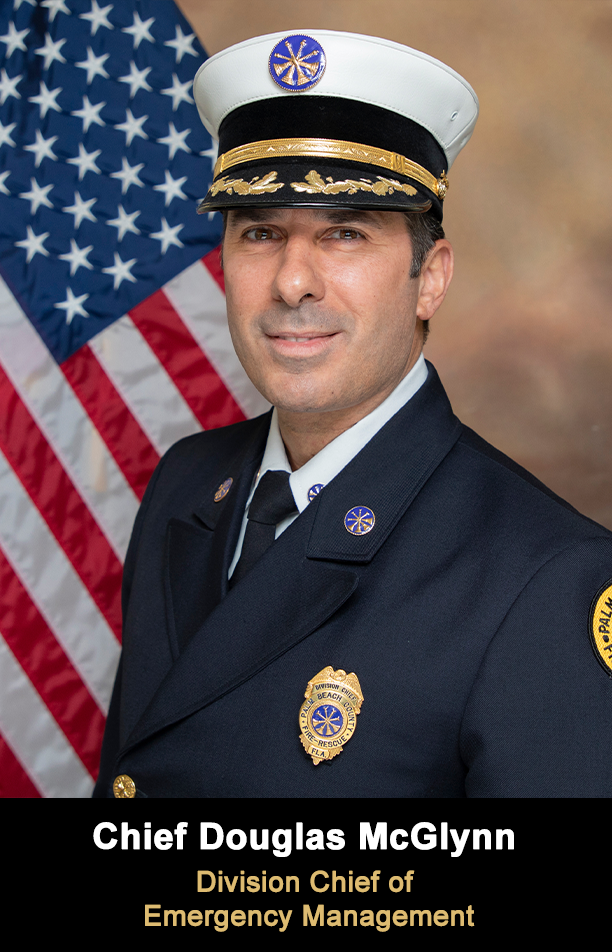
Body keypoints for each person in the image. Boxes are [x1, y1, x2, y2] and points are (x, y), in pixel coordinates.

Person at [94, 30, 612, 799]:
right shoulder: (187, 484)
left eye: (344, 233)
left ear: (429, 277)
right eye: (261, 232)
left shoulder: (547, 580)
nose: (293, 282)